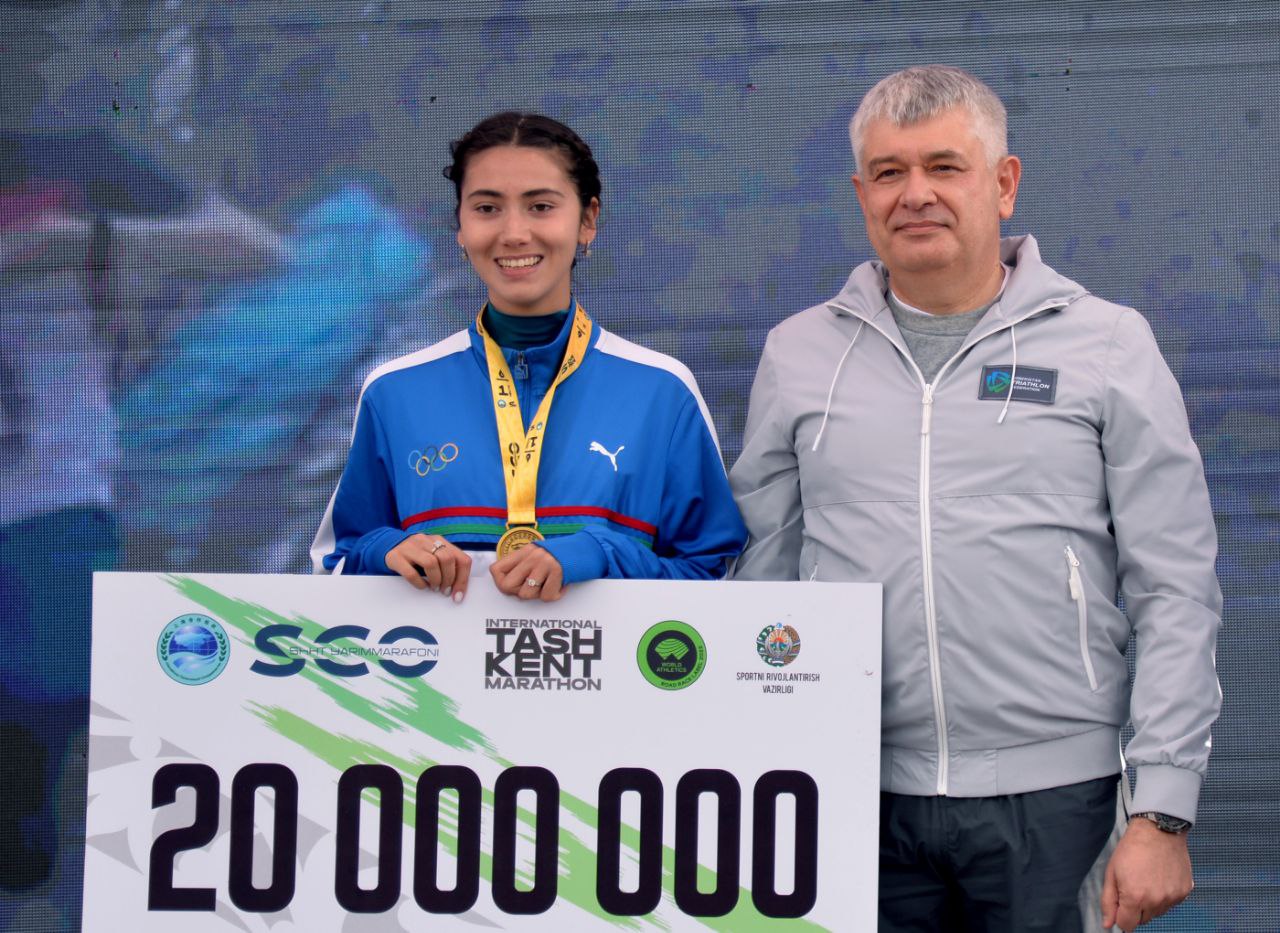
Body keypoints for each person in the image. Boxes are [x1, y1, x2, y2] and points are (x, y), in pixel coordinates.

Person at [729, 66, 1221, 932]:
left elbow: (1175, 585)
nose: (915, 193)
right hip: (851, 791)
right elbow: (761, 575)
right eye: (889, 172)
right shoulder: (799, 353)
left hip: (1059, 801)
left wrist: (1163, 808)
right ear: (861, 194)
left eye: (944, 166)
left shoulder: (1107, 343)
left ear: (1003, 183)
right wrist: (756, 768)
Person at [312, 112, 745, 600]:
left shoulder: (662, 391)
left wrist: (601, 553)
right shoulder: (394, 391)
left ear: (587, 220)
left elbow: (719, 579)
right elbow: (333, 567)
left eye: (540, 206)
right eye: (487, 208)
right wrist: (385, 550)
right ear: (460, 228)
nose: (514, 233)